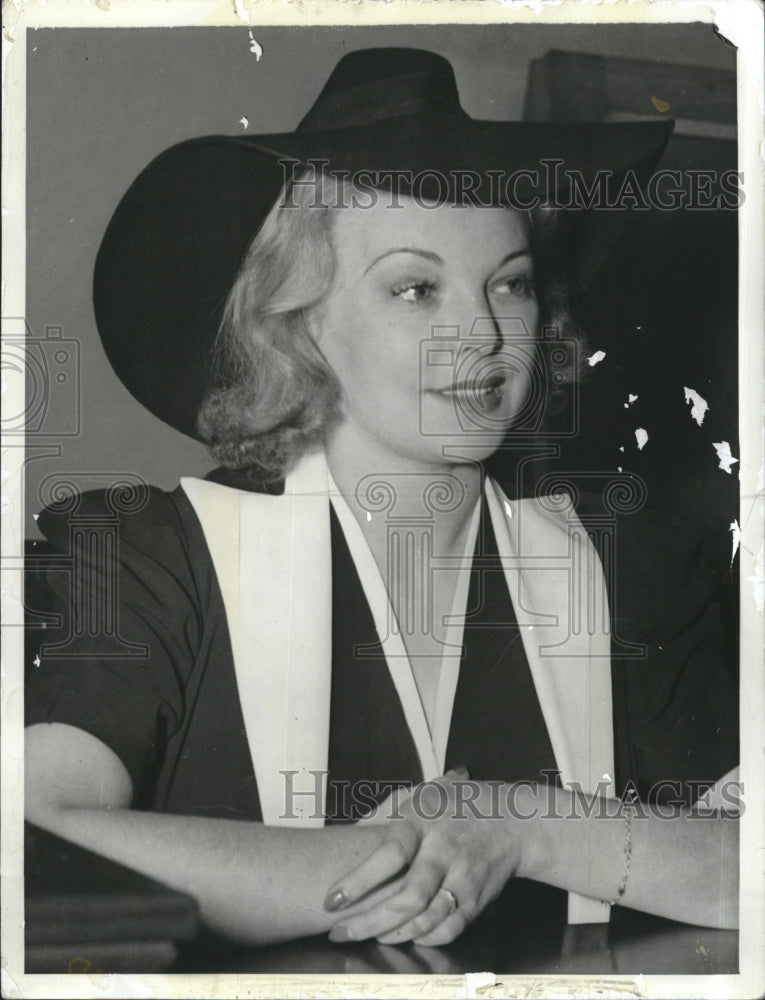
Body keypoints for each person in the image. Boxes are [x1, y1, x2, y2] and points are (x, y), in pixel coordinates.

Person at [25, 47, 739, 949]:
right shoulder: (149, 562)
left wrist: (518, 827)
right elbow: (32, 841)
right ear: (300, 320)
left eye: (509, 285)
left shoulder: (628, 571)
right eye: (416, 288)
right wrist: (416, 858)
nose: (478, 335)